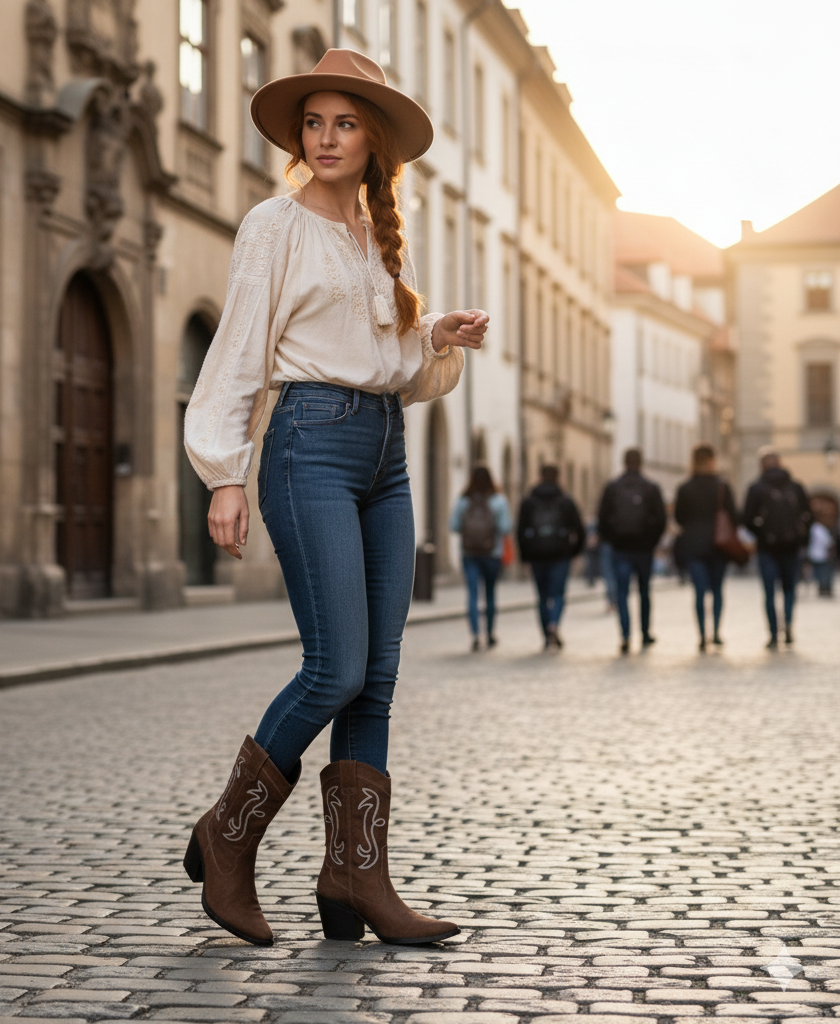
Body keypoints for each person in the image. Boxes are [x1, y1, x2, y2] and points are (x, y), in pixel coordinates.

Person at [182, 49, 488, 948]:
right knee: (337, 665)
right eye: (312, 122)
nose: (324, 137)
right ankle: (226, 842)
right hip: (308, 446)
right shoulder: (272, 226)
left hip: (386, 455)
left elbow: (389, 364)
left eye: (344, 122)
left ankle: (355, 878)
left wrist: (433, 331)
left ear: (373, 140)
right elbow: (238, 350)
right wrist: (224, 473)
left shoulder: (374, 237)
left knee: (378, 679)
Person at [598, 448, 667, 654]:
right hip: (644, 548)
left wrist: (613, 540)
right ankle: (645, 633)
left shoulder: (613, 487)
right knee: (644, 591)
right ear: (641, 462)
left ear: (624, 462)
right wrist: (651, 541)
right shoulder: (650, 487)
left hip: (621, 548)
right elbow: (661, 519)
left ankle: (625, 635)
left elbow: (602, 519)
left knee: (622, 593)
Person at [743, 446, 812, 649]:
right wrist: (801, 539)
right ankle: (788, 624)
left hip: (767, 547)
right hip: (792, 545)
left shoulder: (756, 488)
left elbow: (746, 519)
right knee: (790, 589)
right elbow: (808, 516)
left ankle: (773, 633)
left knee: (769, 592)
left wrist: (761, 534)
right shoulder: (796, 486)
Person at [674, 444, 740, 651]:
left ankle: (702, 635)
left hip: (693, 545)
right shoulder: (722, 486)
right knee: (718, 590)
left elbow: (679, 518)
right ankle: (717, 632)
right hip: (718, 545)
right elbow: (734, 516)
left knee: (700, 592)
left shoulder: (685, 488)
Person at [517, 465, 585, 650]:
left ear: (539, 477)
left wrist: (524, 557)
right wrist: (575, 552)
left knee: (542, 597)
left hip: (536, 554)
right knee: (558, 594)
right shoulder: (566, 501)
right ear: (558, 477)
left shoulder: (529, 501)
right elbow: (579, 528)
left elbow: (520, 531)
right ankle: (554, 623)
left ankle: (547, 636)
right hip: (561, 554)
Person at [450, 465, 512, 650]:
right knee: (490, 594)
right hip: (492, 553)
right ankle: (490, 633)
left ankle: (475, 634)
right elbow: (505, 527)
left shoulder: (463, 500)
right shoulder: (499, 501)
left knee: (472, 594)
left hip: (469, 553)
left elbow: (453, 525)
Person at [807, 516, 836, 597]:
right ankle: (824, 589)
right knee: (824, 573)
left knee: (820, 573)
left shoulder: (814, 528)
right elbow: (827, 541)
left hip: (816, 554)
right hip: (821, 555)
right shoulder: (819, 528)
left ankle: (823, 588)